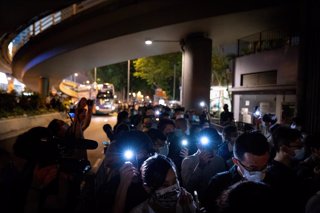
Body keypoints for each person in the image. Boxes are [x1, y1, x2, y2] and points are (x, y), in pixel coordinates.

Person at [203, 131, 270, 212]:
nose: (260, 173)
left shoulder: (275, 181)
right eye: (252, 168)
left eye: (264, 166)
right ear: (236, 161)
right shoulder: (219, 184)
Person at [130, 154, 197, 213]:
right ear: (148, 188)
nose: (173, 188)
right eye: (165, 185)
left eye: (174, 181)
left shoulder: (187, 202)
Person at [264, 126, 308, 213]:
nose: (303, 149)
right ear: (284, 148)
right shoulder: (276, 176)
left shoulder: (291, 167)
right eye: (299, 146)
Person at [181, 128, 226, 202]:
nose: (211, 148)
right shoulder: (188, 160)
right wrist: (200, 166)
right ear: (198, 144)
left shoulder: (219, 160)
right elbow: (188, 188)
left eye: (214, 145)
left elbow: (223, 184)